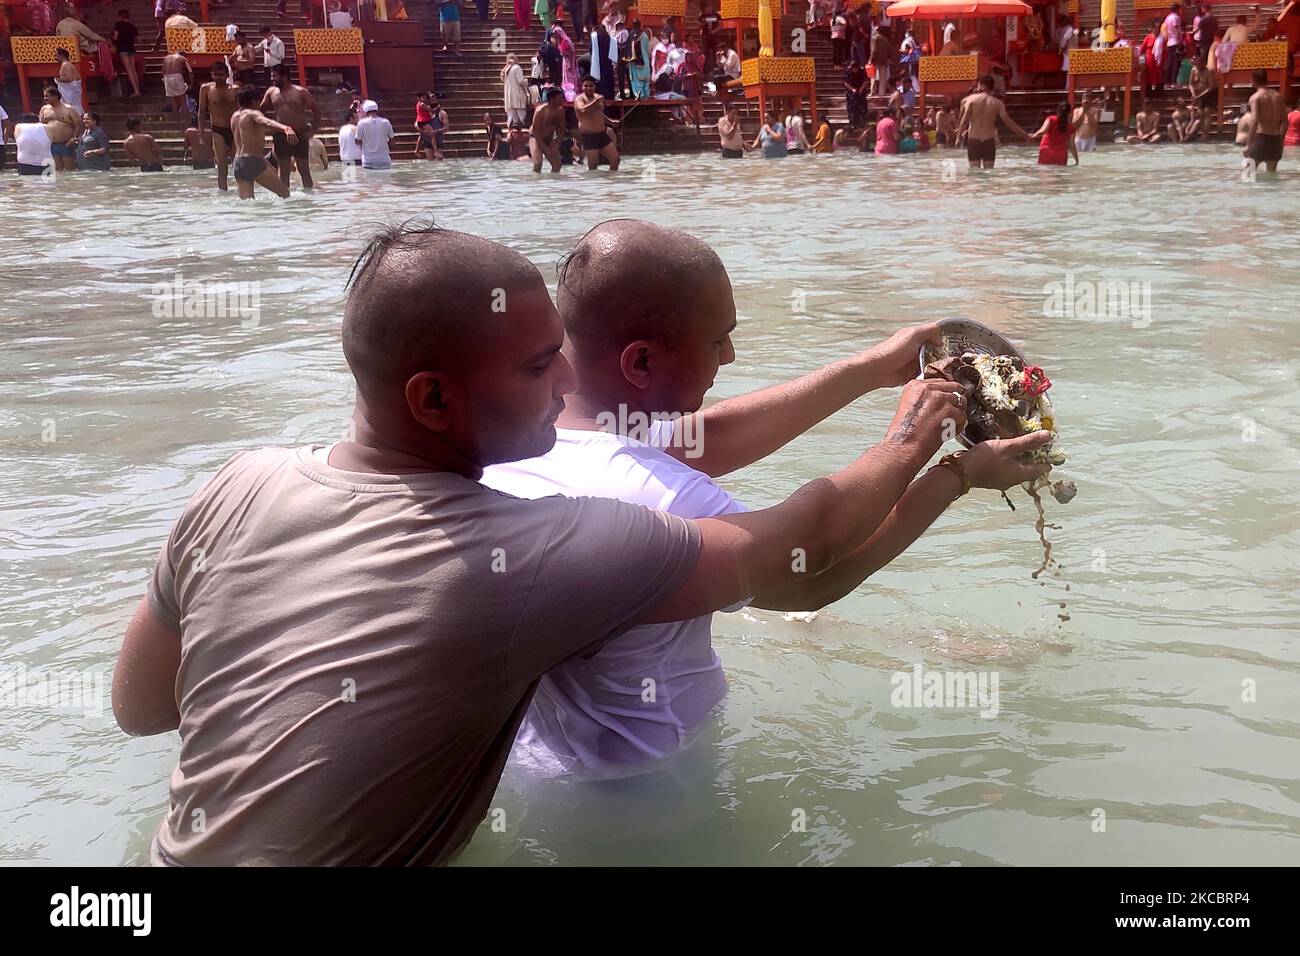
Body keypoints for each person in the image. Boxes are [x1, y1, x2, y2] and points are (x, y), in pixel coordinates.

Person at [114, 217, 995, 865]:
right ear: (432, 401)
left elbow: (141, 708)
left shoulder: (236, 485)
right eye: (542, 366)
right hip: (638, 809)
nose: (571, 382)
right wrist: (924, 437)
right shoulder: (536, 546)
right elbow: (803, 549)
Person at [478, 220, 1053, 777]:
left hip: (551, 762)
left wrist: (871, 369)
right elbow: (811, 572)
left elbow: (708, 437)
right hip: (651, 787)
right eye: (718, 340)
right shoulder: (646, 497)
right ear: (642, 361)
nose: (729, 357)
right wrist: (939, 465)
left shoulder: (530, 445)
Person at [260, 64, 319, 190]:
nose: (272, 79)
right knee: (284, 171)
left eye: (274, 76)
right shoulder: (271, 92)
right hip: (281, 136)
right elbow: (261, 111)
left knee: (304, 170)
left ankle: (310, 201)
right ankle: (284, 202)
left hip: (301, 134)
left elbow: (316, 110)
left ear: (284, 76)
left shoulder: (300, 92)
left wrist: (312, 132)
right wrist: (270, 127)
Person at [958, 74, 1033, 168]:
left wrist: (958, 138)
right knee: (989, 173)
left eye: (978, 84)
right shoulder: (997, 103)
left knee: (974, 173)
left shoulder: (970, 100)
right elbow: (1009, 123)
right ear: (992, 87)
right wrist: (1025, 136)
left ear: (982, 85)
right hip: (989, 141)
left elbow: (964, 121)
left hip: (974, 140)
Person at [229, 88, 294, 197]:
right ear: (254, 102)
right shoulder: (253, 113)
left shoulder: (234, 117)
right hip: (252, 162)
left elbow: (249, 144)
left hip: (238, 163)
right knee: (285, 194)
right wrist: (285, 128)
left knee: (248, 204)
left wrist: (266, 163)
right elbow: (267, 122)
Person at [198, 63, 240, 191]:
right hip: (217, 129)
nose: (218, 77)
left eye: (221, 75)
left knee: (238, 164)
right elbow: (201, 111)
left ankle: (242, 190)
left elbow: (241, 111)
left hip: (233, 129)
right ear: (211, 74)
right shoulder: (206, 89)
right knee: (222, 166)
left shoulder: (235, 89)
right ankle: (223, 193)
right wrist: (201, 134)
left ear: (227, 75)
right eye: (215, 74)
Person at [574, 75, 620, 170]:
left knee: (615, 160)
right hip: (589, 136)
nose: (588, 88)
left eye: (591, 86)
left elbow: (599, 114)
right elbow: (583, 110)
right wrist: (596, 102)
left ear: (595, 86)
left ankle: (610, 181)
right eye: (586, 86)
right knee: (593, 166)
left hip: (602, 135)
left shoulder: (598, 98)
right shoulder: (579, 99)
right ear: (582, 87)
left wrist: (611, 121)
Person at [1244, 69, 1285, 173]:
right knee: (1271, 175)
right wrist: (1280, 141)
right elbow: (1285, 121)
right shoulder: (1278, 96)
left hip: (1261, 138)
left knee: (1247, 174)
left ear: (1253, 80)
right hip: (1275, 139)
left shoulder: (1255, 97)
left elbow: (1254, 121)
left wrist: (1248, 145)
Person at [38, 86, 79, 172]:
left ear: (55, 96)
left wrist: (73, 138)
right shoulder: (44, 109)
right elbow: (41, 125)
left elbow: (79, 125)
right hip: (52, 143)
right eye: (44, 96)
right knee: (57, 170)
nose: (45, 98)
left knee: (69, 170)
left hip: (66, 143)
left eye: (47, 96)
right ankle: (60, 185)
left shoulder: (69, 109)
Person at [530, 85, 567, 172]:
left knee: (557, 165)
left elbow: (562, 131)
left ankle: (552, 184)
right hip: (536, 138)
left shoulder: (560, 111)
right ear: (552, 99)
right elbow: (536, 132)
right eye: (560, 98)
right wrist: (546, 149)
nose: (563, 100)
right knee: (538, 164)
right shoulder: (540, 111)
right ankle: (535, 182)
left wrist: (557, 144)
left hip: (550, 139)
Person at [355, 99, 395, 170]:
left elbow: (357, 141)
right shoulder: (386, 122)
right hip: (384, 160)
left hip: (368, 160)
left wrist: (366, 142)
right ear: (377, 110)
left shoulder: (361, 123)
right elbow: (392, 141)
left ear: (365, 111)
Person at [112, 9, 142, 98]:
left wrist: (113, 42)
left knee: (128, 69)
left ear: (120, 16)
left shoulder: (118, 25)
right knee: (133, 69)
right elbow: (139, 40)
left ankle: (136, 91)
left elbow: (115, 37)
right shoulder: (133, 27)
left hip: (122, 49)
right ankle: (138, 89)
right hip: (131, 48)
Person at [161, 50, 193, 126]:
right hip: (177, 77)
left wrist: (164, 81)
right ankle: (186, 122)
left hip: (167, 78)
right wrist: (191, 83)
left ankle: (177, 123)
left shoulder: (166, 58)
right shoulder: (183, 58)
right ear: (183, 54)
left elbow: (162, 71)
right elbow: (190, 71)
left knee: (174, 101)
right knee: (183, 101)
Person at [501, 53, 530, 127]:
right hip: (517, 95)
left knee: (511, 115)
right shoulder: (517, 67)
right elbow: (520, 81)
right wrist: (527, 81)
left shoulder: (505, 70)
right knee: (520, 114)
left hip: (509, 97)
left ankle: (512, 130)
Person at [1161, 3, 1184, 92]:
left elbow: (1165, 29)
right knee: (1175, 63)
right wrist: (1181, 40)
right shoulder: (1176, 17)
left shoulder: (1167, 18)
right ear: (1177, 9)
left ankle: (1167, 82)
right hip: (1175, 41)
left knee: (1170, 62)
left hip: (1169, 42)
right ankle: (1173, 82)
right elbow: (1178, 29)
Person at [53, 48, 82, 115]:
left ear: (62, 55)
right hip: (72, 92)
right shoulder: (67, 64)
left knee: (72, 108)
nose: (55, 57)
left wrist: (57, 80)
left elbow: (69, 78)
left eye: (56, 55)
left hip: (71, 92)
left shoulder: (65, 65)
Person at [1140, 24, 1162, 96]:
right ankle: (1148, 93)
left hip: (1158, 61)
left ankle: (1158, 93)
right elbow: (1142, 49)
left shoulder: (1161, 39)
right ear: (1152, 29)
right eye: (1155, 29)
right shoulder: (1148, 38)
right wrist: (1141, 60)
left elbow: (1164, 50)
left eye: (1158, 29)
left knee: (1158, 77)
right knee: (1148, 77)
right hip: (1149, 61)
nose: (1156, 30)